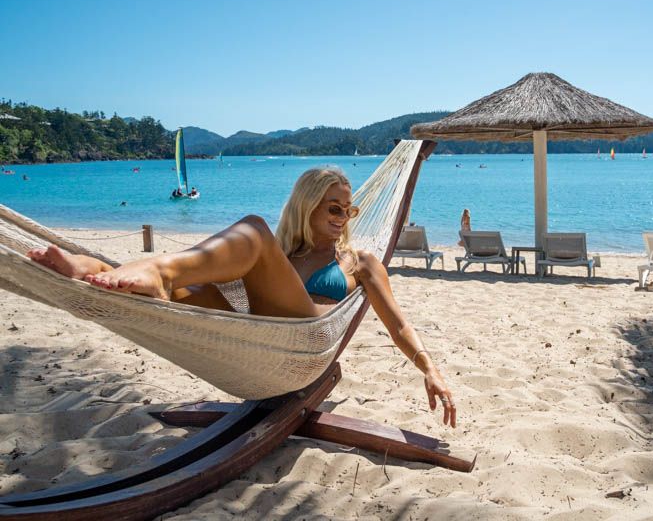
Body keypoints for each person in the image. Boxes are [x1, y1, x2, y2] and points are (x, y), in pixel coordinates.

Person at [26, 167, 456, 426]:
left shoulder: (360, 261)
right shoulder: (283, 256)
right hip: (260, 340)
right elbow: (225, 292)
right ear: (308, 207)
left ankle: (153, 270)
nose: (343, 218)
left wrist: (429, 369)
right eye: (334, 207)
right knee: (189, 285)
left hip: (306, 345)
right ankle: (98, 270)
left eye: (349, 209)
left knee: (252, 229)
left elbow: (397, 323)